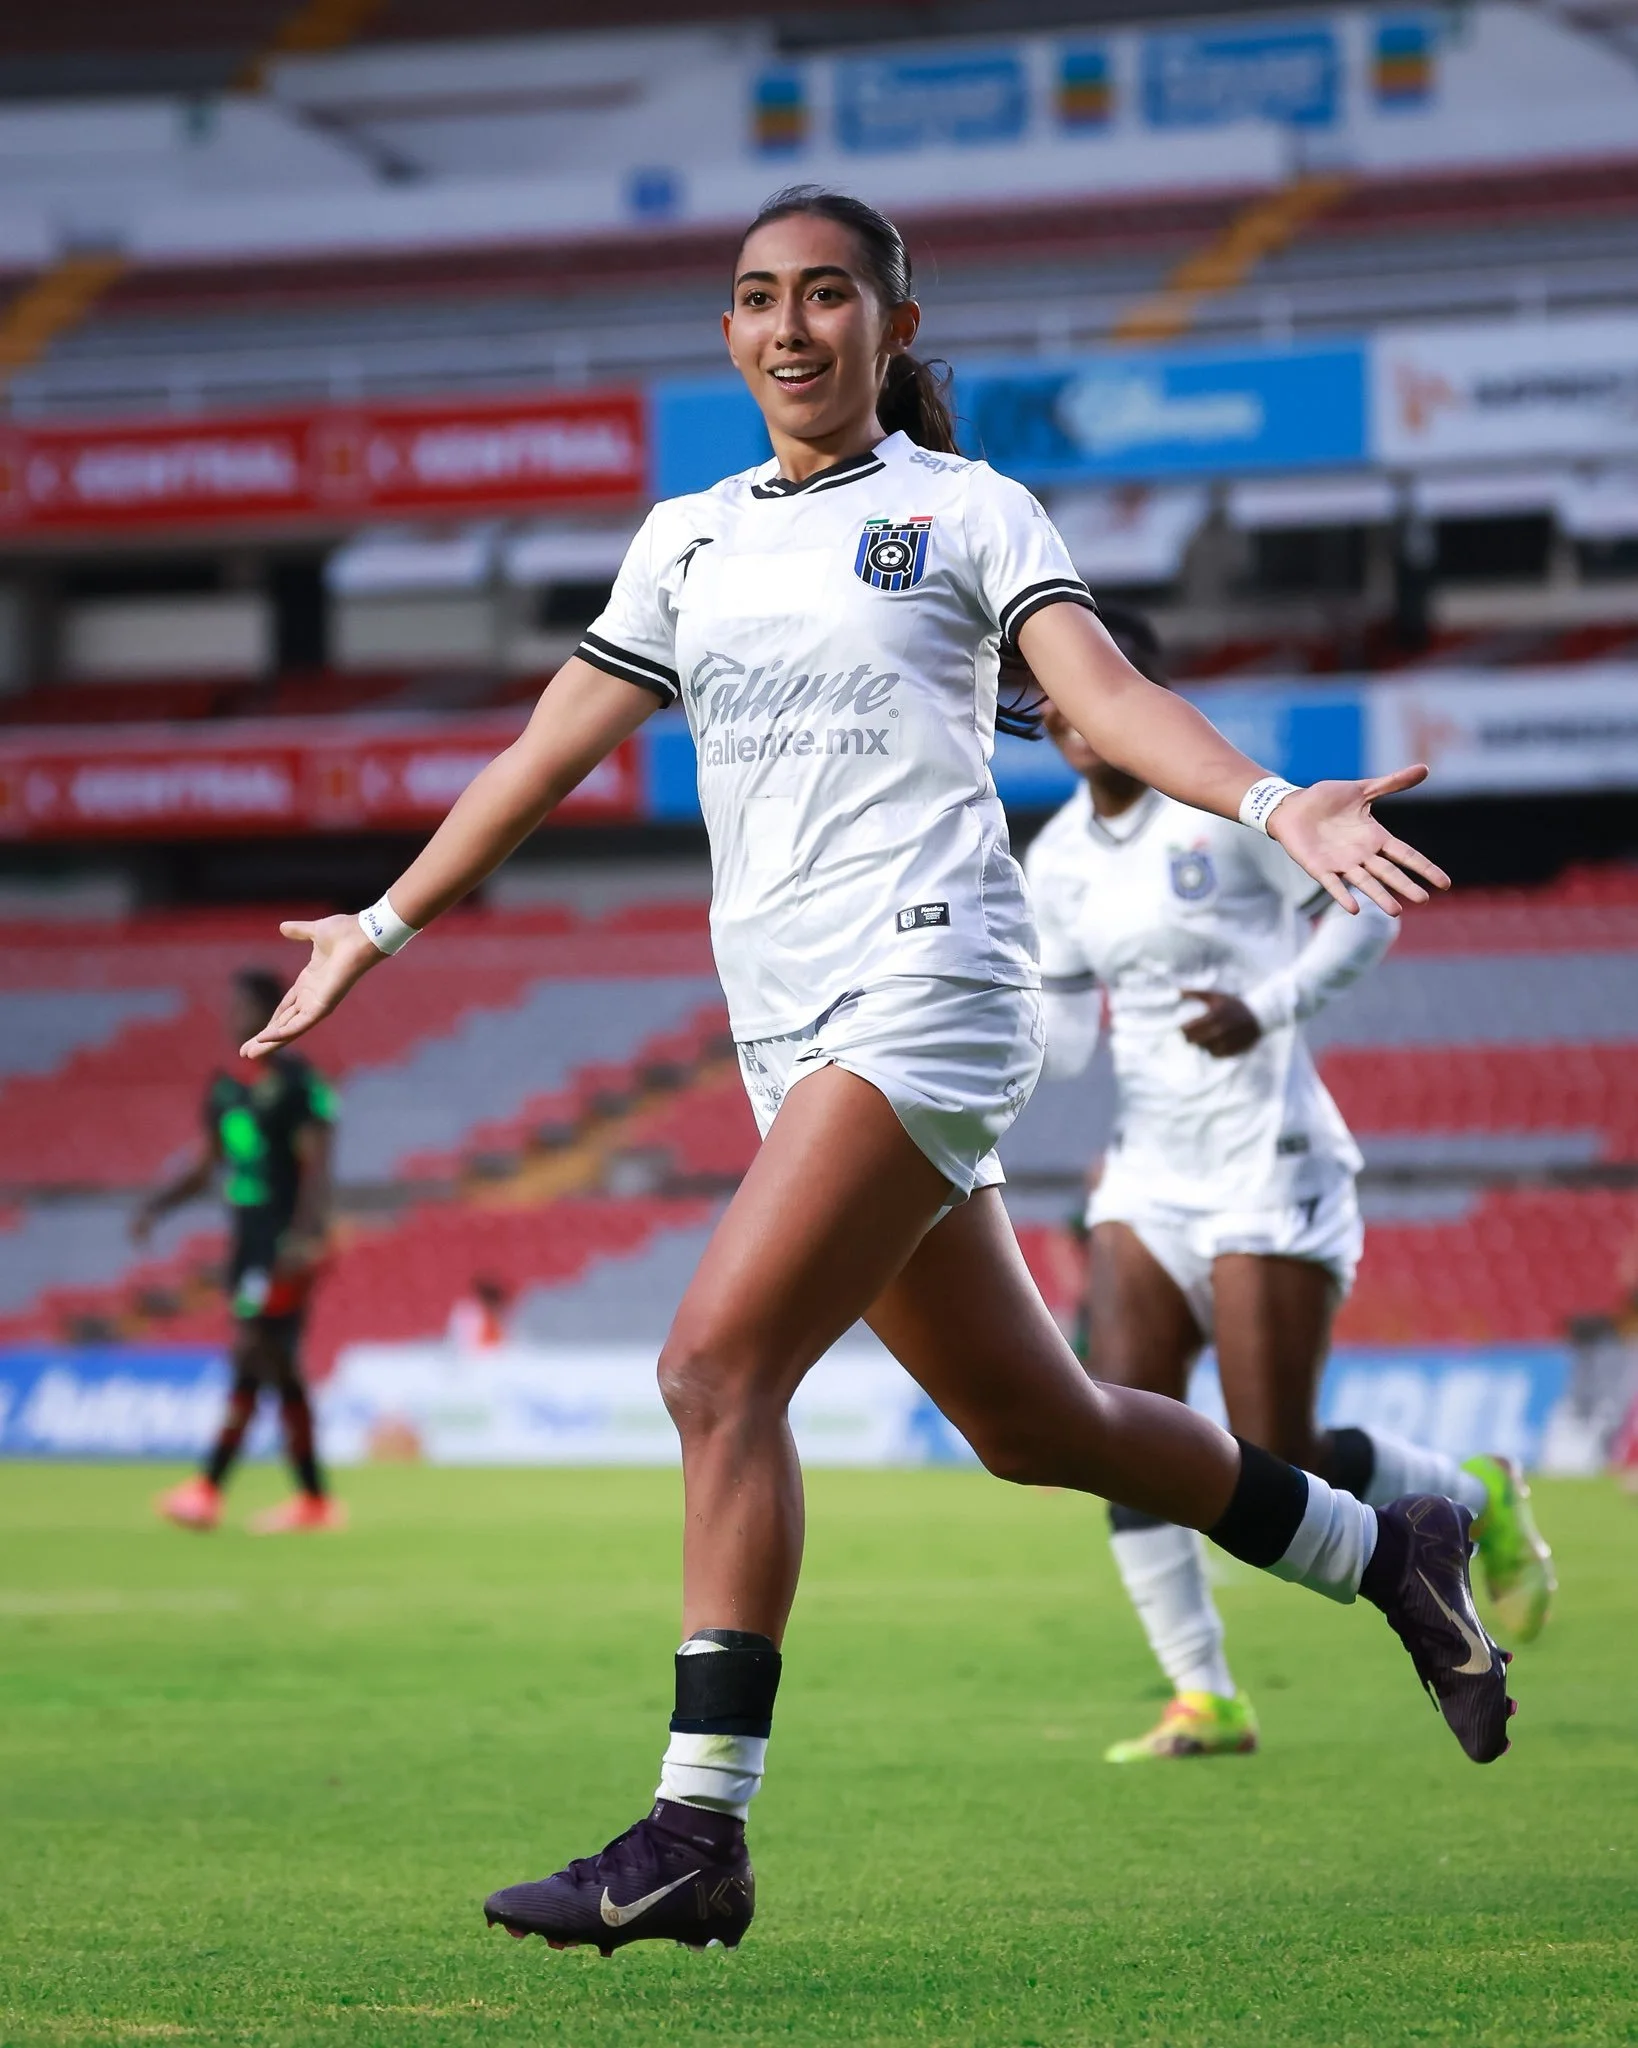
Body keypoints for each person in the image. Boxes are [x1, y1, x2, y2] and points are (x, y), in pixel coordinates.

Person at [239, 185, 1513, 1957]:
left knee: (712, 1364)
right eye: (757, 296)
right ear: (727, 331)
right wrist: (371, 931)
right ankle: (1389, 1544)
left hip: (928, 981)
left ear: (891, 326)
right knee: (1033, 1423)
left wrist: (1271, 796)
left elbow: (1109, 689)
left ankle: (697, 1827)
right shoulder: (684, 543)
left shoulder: (967, 509)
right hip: (788, 1029)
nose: (788, 325)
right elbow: (541, 754)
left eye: (826, 295)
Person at [1027, 605, 1555, 1763]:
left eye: (1092, 680)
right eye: (1049, 686)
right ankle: (1204, 1695)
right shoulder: (1054, 860)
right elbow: (1064, 1040)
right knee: (1121, 1425)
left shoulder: (1224, 810)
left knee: (1278, 1447)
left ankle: (1473, 1491)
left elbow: (1368, 911)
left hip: (1270, 1155)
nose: (1068, 707)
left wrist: (1263, 1007)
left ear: (1139, 688)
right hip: (1149, 1171)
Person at [135, 967, 345, 1535]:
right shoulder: (224, 1088)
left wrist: (306, 1233)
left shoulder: (298, 1083)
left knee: (254, 1349)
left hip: (284, 1243)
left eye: (241, 1007)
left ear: (270, 1011)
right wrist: (158, 1206)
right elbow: (207, 1167)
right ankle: (313, 1501)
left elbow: (318, 1164)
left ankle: (209, 1488)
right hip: (247, 1243)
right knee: (273, 1366)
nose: (230, 1018)